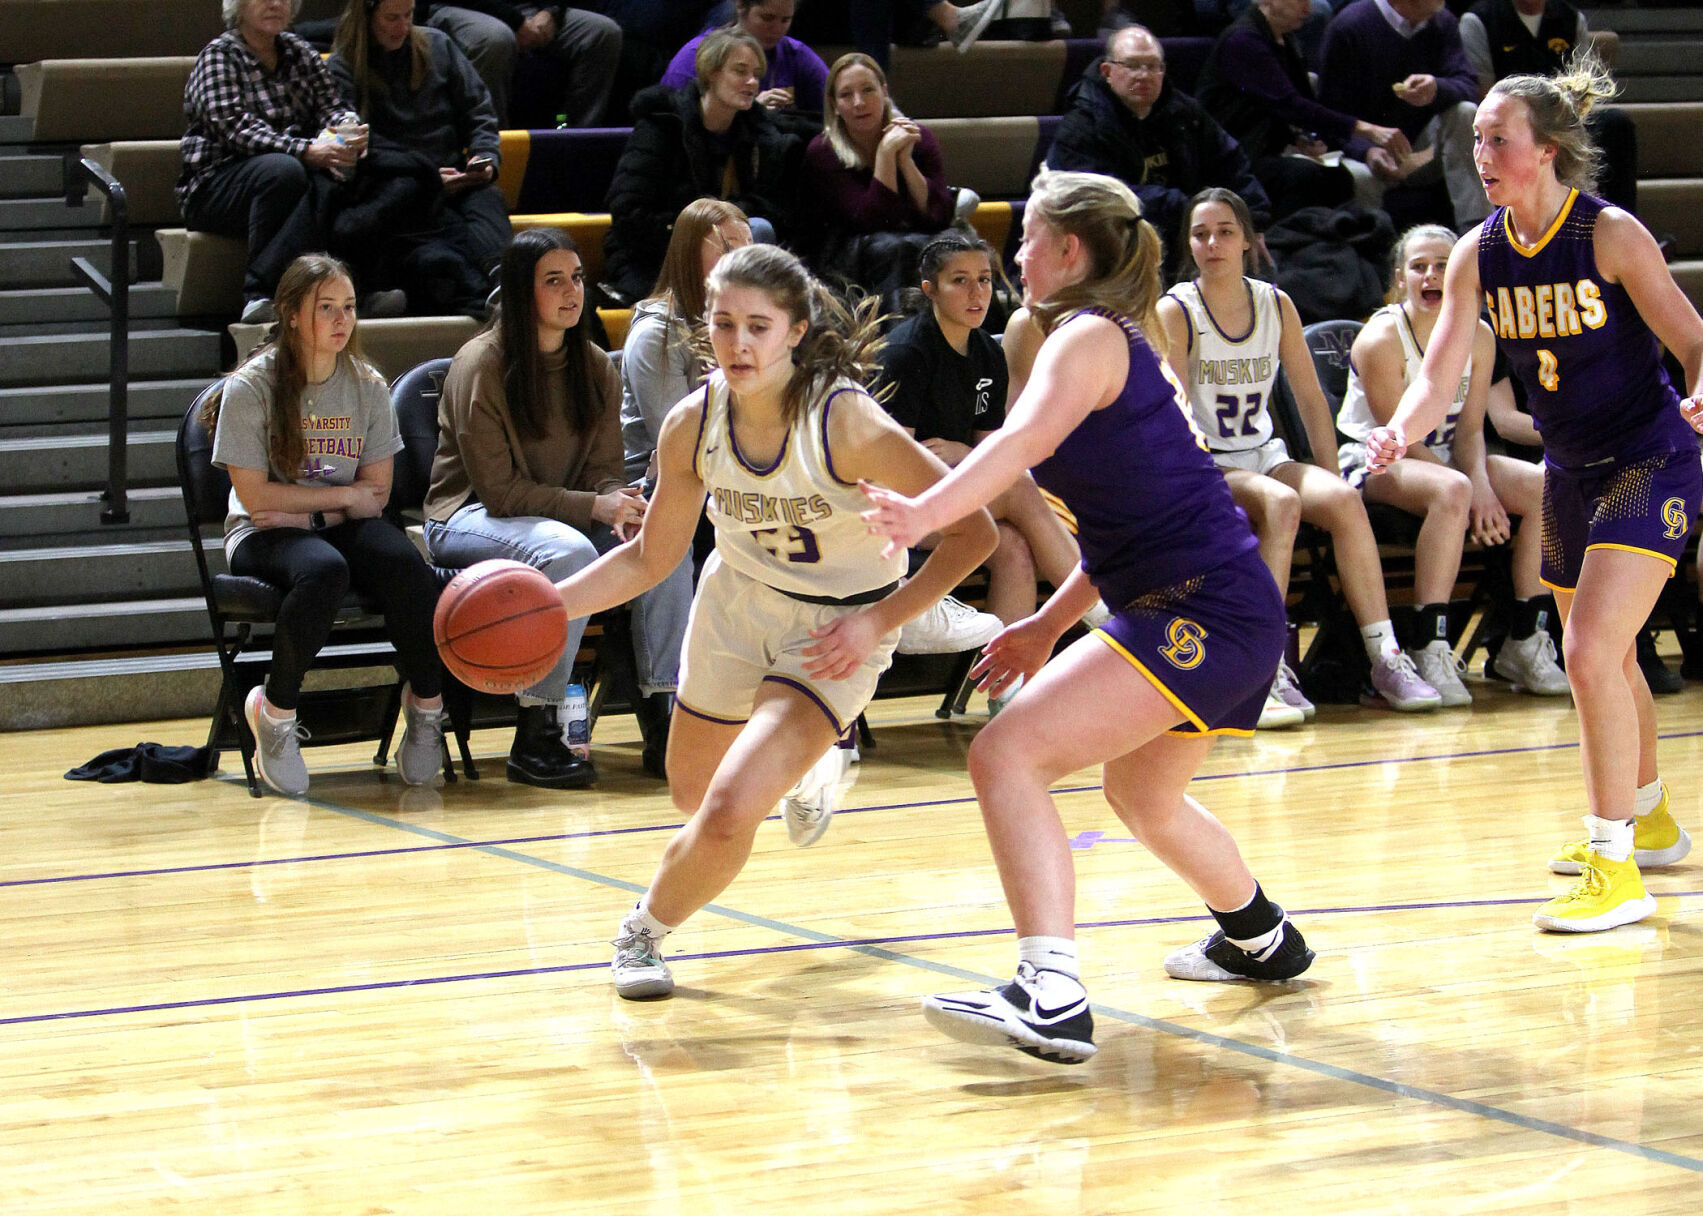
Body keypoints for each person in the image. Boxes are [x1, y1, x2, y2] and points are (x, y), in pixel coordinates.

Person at [863, 170, 1316, 1065]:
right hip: (1213, 606)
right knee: (1140, 794)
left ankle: (1051, 991)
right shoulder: (1106, 342)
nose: (1015, 255)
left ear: (1069, 251)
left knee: (1006, 754)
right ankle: (1262, 938)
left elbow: (1015, 448)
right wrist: (1042, 625)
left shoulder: (1085, 339)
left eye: (1025, 238)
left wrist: (923, 514)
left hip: (1200, 610)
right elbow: (1121, 534)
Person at [549, 243, 996, 999]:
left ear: (795, 330)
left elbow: (974, 531)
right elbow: (648, 560)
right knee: (693, 794)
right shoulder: (692, 424)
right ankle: (814, 763)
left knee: (726, 812)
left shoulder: (849, 424)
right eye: (723, 325)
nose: (738, 343)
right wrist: (544, 604)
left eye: (758, 326)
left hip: (838, 627)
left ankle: (641, 932)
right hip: (735, 602)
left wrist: (882, 619)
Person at [1364, 55, 1703, 932]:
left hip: (1647, 459)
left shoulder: (1609, 234)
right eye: (1475, 137)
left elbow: (1694, 340)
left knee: (1588, 649)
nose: (1480, 152)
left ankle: (1613, 864)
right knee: (1609, 657)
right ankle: (1650, 817)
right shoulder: (1478, 251)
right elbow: (1438, 370)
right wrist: (1400, 426)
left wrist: (1701, 388)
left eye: (1496, 139)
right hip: (1569, 469)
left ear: (1545, 150)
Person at [1158, 188, 1444, 723]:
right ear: (1189, 244)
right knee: (1282, 506)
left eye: (1224, 231)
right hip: (1207, 464)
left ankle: (1384, 656)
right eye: (1201, 234)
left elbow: (1313, 401)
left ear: (1246, 240)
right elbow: (1172, 413)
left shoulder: (1275, 303)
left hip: (1264, 452)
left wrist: (1334, 477)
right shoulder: (1176, 310)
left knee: (1342, 501)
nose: (1213, 243)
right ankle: (1261, 667)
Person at [424, 228, 692, 789]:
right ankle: (537, 730)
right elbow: (499, 492)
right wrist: (595, 504)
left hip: (561, 516)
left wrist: (619, 504)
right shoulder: (481, 365)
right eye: (555, 281)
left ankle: (664, 716)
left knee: (664, 540)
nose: (573, 292)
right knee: (565, 553)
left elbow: (604, 467)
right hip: (469, 517)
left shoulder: (594, 363)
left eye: (577, 278)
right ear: (523, 293)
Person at [206, 253, 446, 798]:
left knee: (404, 564)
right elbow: (255, 499)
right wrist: (338, 502)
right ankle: (276, 712)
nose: (343, 320)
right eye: (327, 308)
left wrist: (309, 508)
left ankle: (427, 706)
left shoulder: (368, 385)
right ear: (292, 314)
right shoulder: (251, 388)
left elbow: (378, 493)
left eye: (350, 307)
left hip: (316, 521)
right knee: (323, 570)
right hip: (260, 534)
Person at [1348, 223, 1570, 697]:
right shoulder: (1380, 338)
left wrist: (1484, 487)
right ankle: (1431, 647)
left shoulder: (1481, 335)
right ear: (1399, 276)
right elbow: (1399, 438)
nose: (1431, 275)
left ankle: (1525, 641)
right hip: (1376, 460)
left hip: (1449, 456)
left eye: (1443, 266)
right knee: (1454, 491)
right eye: (1419, 266)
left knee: (1544, 486)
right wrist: (1471, 490)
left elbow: (1470, 431)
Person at [875, 232, 1089, 656]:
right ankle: (1099, 608)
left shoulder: (987, 355)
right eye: (960, 281)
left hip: (955, 506)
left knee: (1012, 547)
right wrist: (969, 460)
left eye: (985, 279)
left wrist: (963, 455)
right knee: (1019, 487)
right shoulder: (906, 354)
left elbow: (988, 453)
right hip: (896, 517)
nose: (977, 293)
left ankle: (1006, 691)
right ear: (929, 290)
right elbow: (891, 471)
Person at [619, 199, 754, 770]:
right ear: (689, 249)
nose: (739, 255)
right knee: (669, 549)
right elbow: (679, 440)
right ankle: (662, 702)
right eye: (725, 246)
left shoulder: (749, 326)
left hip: (732, 475)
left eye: (745, 243)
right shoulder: (655, 331)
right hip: (658, 477)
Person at [179, 0, 369, 323]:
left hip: (288, 171)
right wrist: (306, 150)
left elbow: (332, 105)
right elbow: (236, 129)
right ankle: (260, 293)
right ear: (238, 7)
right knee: (285, 170)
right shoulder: (219, 56)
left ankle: (350, 292)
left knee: (337, 177)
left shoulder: (299, 51)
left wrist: (347, 129)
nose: (275, 3)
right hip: (216, 183)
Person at [328, 0, 509, 310]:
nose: (402, 26)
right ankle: (475, 292)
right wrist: (427, 177)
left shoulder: (439, 45)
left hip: (455, 176)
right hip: (398, 185)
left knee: (487, 198)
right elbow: (360, 144)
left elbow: (479, 112)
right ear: (367, 16)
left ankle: (502, 282)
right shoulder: (343, 65)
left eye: (408, 15)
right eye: (392, 17)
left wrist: (484, 158)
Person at [602, 30, 804, 303]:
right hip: (656, 257)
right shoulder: (662, 124)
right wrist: (701, 234)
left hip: (729, 263)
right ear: (710, 72)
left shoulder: (762, 135)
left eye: (756, 74)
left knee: (760, 231)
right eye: (740, 71)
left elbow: (776, 207)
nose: (752, 82)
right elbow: (628, 212)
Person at [1046, 25, 1272, 260]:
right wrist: (1183, 206)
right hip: (1114, 241)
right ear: (1107, 71)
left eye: (1152, 66)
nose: (1143, 75)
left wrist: (1252, 221)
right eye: (1132, 65)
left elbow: (1231, 161)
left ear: (1163, 72)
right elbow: (1099, 198)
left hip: (1184, 231)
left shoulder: (1185, 113)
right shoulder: (1081, 126)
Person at [1195, 0, 1411, 219]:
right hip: (1235, 158)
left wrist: (1302, 140)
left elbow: (1294, 106)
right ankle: (1289, 244)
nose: (1308, 8)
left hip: (1264, 148)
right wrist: (1367, 129)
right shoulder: (1242, 41)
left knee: (1338, 178)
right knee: (1309, 178)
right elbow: (1291, 105)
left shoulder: (1285, 40)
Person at [1317, 0, 1491, 233]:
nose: (1430, 19)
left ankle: (1478, 232)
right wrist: (1365, 150)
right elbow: (1329, 117)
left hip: (1423, 149)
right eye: (1423, 10)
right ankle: (1373, 254)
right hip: (1367, 150)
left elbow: (1470, 85)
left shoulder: (1441, 21)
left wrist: (1437, 89)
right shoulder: (1349, 27)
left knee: (1465, 112)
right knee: (1358, 178)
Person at [1458, 0, 1637, 216]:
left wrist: (1559, 119)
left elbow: (1580, 86)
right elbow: (1483, 93)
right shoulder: (1479, 19)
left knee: (1615, 123)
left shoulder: (1571, 18)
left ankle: (1622, 221)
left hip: (1561, 117)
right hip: (1507, 122)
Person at [417, 2, 622, 127]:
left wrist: (551, 11)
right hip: (457, 7)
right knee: (496, 39)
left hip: (527, 9)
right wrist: (515, 21)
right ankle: (490, 149)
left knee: (603, 32)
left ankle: (574, 139)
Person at [662, 0, 830, 121]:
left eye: (785, 20)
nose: (778, 29)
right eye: (767, 18)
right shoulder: (694, 57)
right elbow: (673, 122)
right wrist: (750, 112)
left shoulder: (796, 54)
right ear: (741, 5)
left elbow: (835, 106)